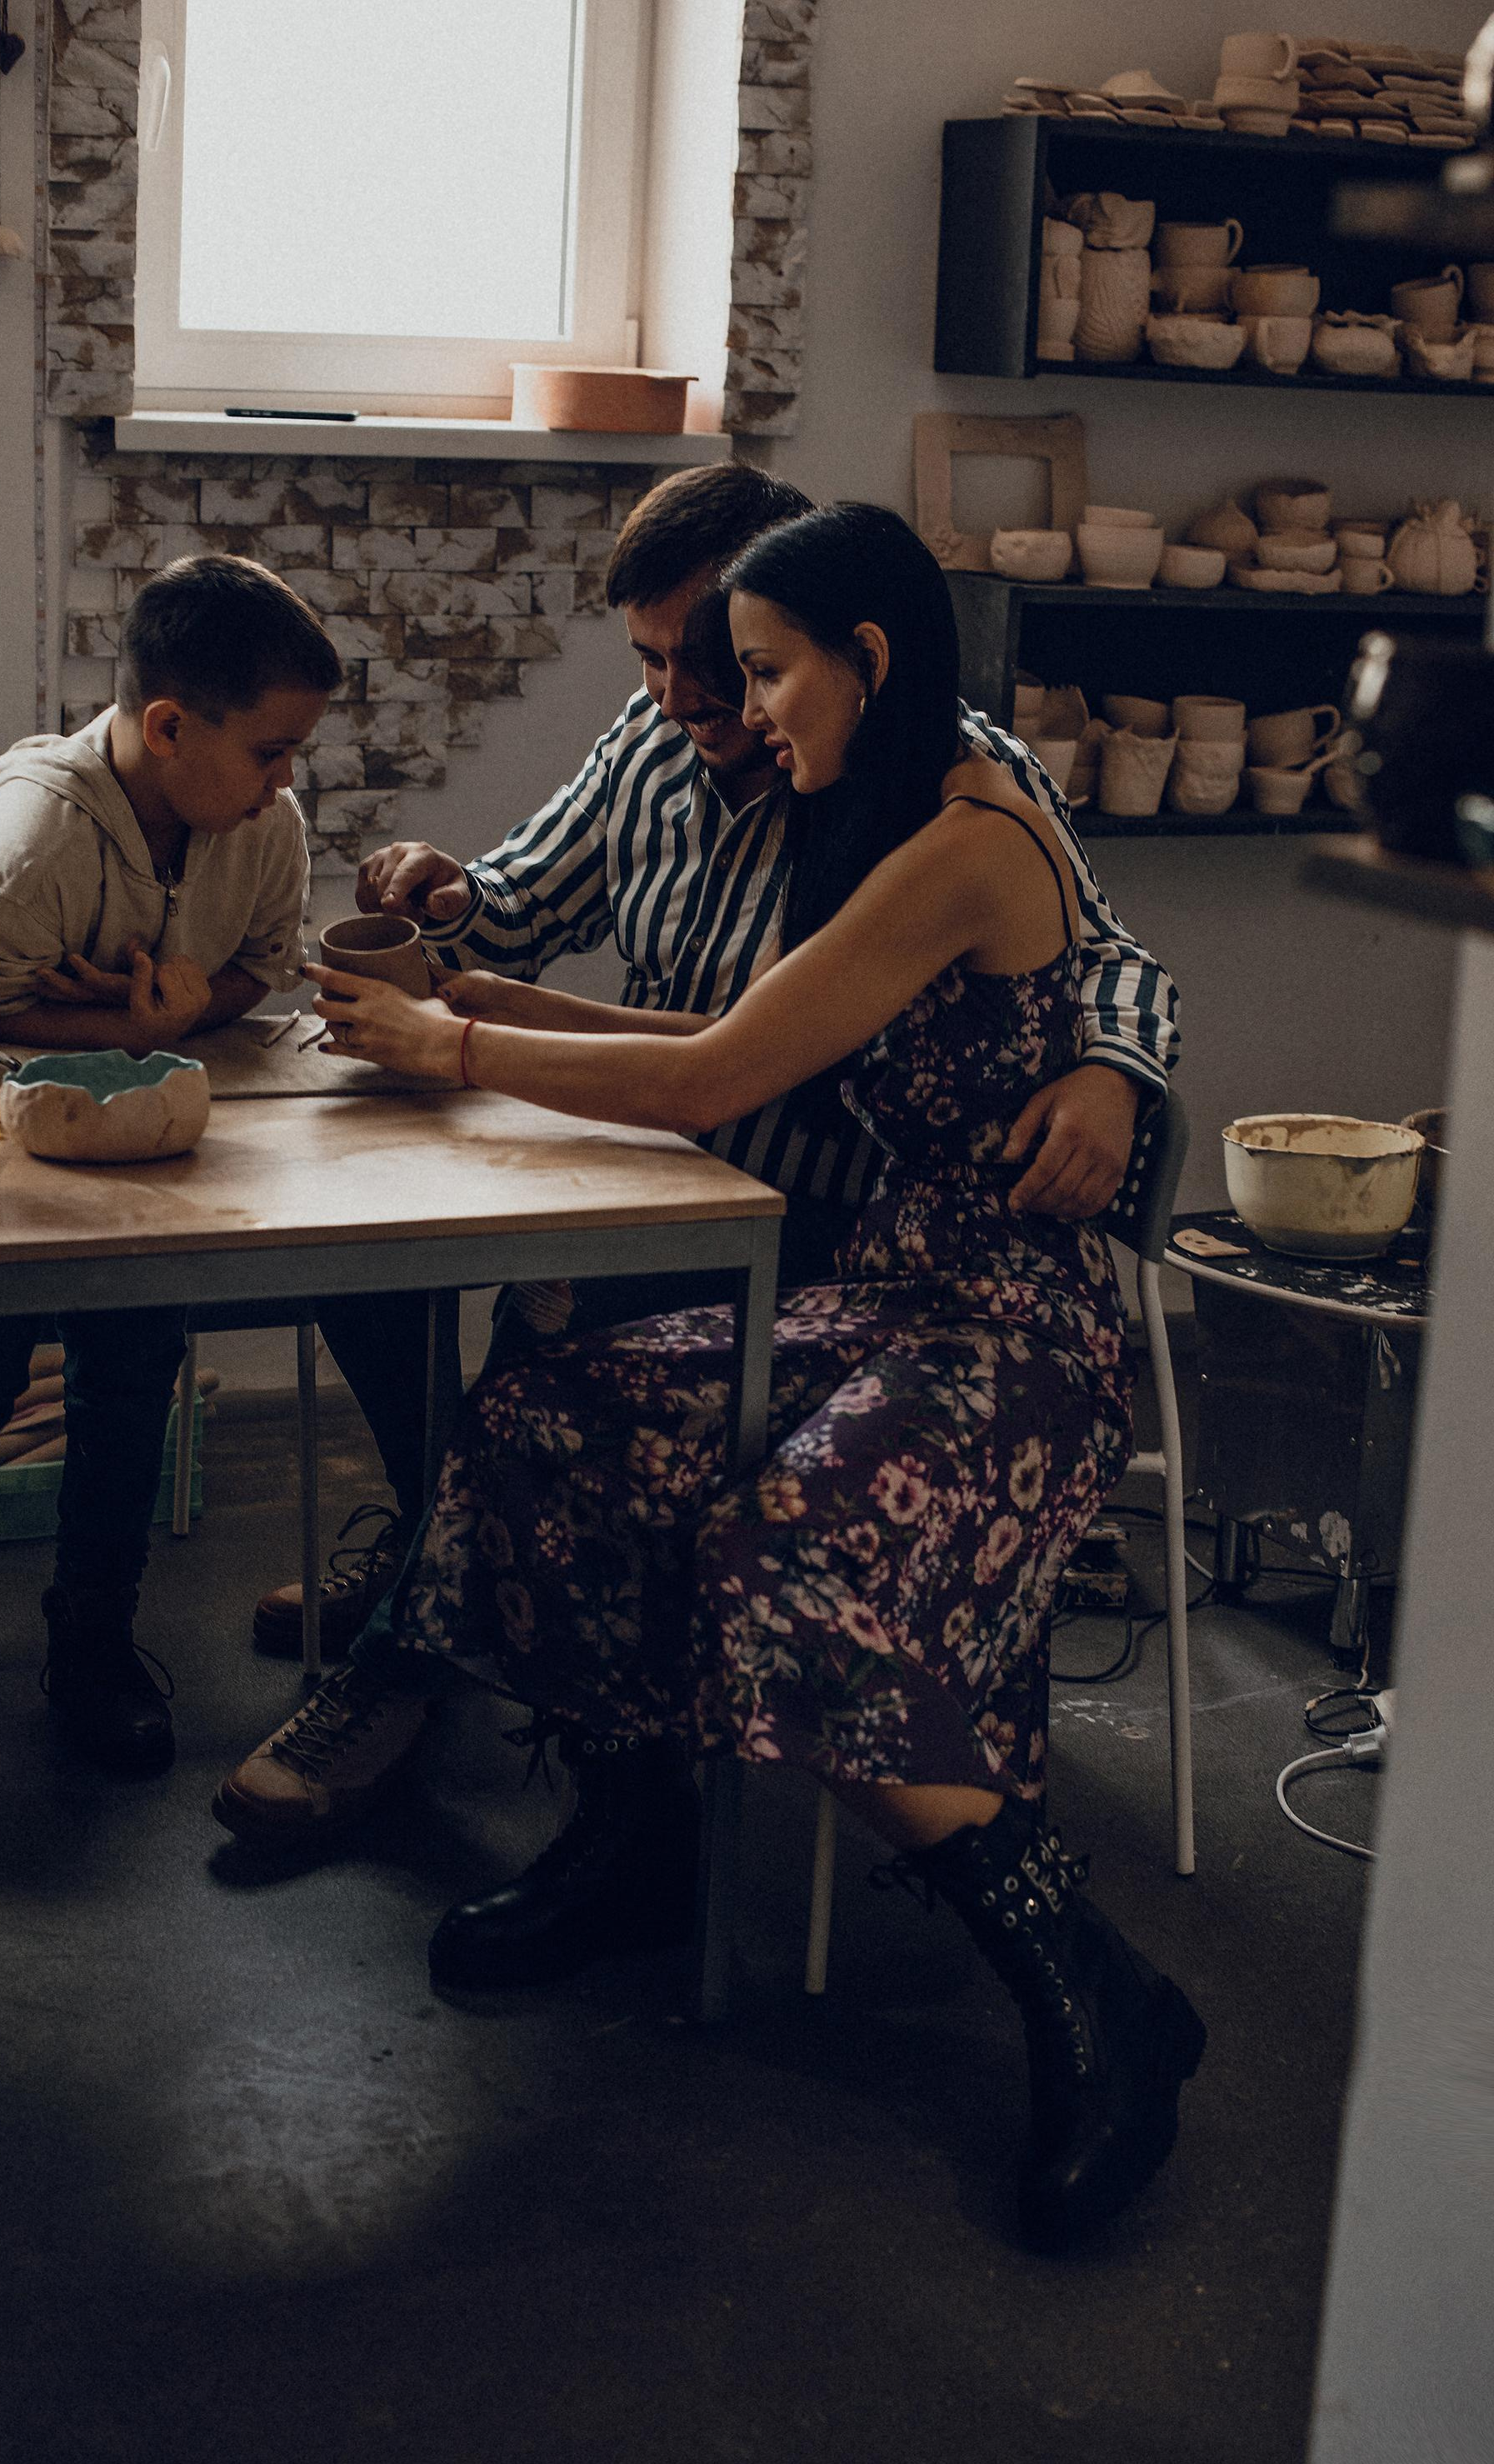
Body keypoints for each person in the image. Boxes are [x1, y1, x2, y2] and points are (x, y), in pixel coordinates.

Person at [299, 503, 1203, 2253]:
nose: (736, 703)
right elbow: (716, 1041)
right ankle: (636, 1836)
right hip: (886, 1296)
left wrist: (461, 1040)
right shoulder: (853, 795)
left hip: (1012, 1330)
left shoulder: (960, 830)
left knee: (785, 1545)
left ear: (864, 660)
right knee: (556, 1413)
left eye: (764, 669)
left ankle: (1098, 1993)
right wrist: (472, 988)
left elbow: (722, 1080)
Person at [218, 464, 1180, 1845]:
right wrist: (459, 923)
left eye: (732, 665)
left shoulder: (938, 787)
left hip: (830, 1234)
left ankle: (434, 1655)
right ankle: (464, 1600)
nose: (686, 696)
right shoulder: (690, 731)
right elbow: (575, 942)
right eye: (661, 661)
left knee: (560, 1336)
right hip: (701, 1174)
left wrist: (1113, 1070)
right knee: (407, 1288)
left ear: (825, 646)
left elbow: (1103, 961)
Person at [0, 555, 337, 1772]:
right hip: (2, 1148)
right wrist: (123, 1025)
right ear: (168, 727)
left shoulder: (264, 832)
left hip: (156, 1151)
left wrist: (187, 1004)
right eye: (270, 752)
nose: (285, 784)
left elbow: (261, 964)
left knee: (132, 1375)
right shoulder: (31, 843)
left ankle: (93, 1638)